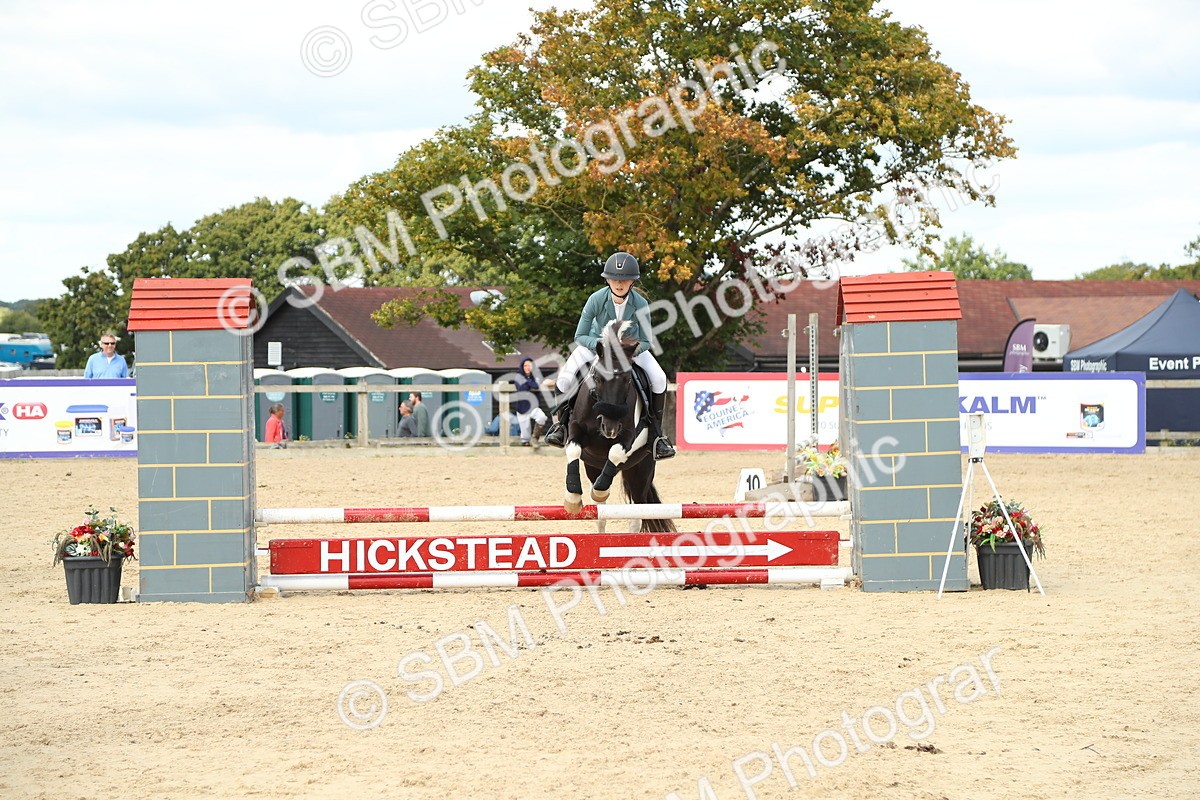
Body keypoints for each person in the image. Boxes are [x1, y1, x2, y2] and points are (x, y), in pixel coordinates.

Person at [542, 252, 675, 459]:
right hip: (595, 346)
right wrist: (599, 348)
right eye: (614, 279)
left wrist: (628, 354)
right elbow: (580, 335)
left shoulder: (640, 303)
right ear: (607, 280)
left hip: (630, 350)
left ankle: (657, 436)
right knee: (565, 378)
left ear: (632, 281)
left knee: (658, 379)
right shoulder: (596, 299)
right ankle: (560, 427)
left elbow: (647, 341)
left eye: (623, 280)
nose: (619, 284)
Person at [514, 357, 549, 447]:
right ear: (522, 367)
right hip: (522, 407)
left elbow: (536, 385)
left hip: (533, 406)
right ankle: (526, 448)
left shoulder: (536, 376)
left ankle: (535, 438)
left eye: (529, 365)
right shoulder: (518, 376)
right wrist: (529, 382)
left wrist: (527, 381)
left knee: (542, 417)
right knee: (525, 435)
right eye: (525, 365)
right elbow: (522, 388)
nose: (527, 367)